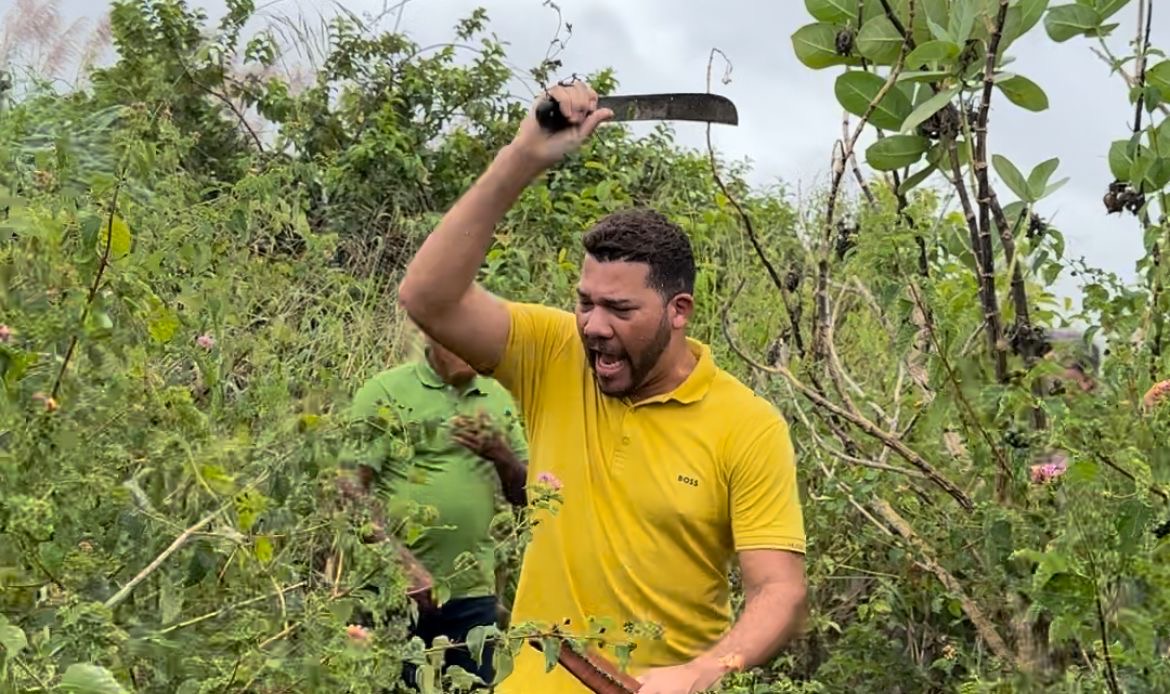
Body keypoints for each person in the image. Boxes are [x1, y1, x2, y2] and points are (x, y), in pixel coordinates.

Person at [396, 79, 808, 694]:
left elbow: (780, 588)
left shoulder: (746, 425)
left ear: (679, 311)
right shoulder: (552, 352)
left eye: (618, 308)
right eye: (585, 302)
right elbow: (427, 298)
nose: (592, 326)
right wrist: (524, 157)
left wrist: (705, 671)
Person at [341, 330, 530, 690]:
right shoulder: (385, 392)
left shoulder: (496, 396)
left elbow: (526, 494)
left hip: (472, 595)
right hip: (394, 595)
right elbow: (349, 491)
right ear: (433, 333)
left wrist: (500, 454)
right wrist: (401, 567)